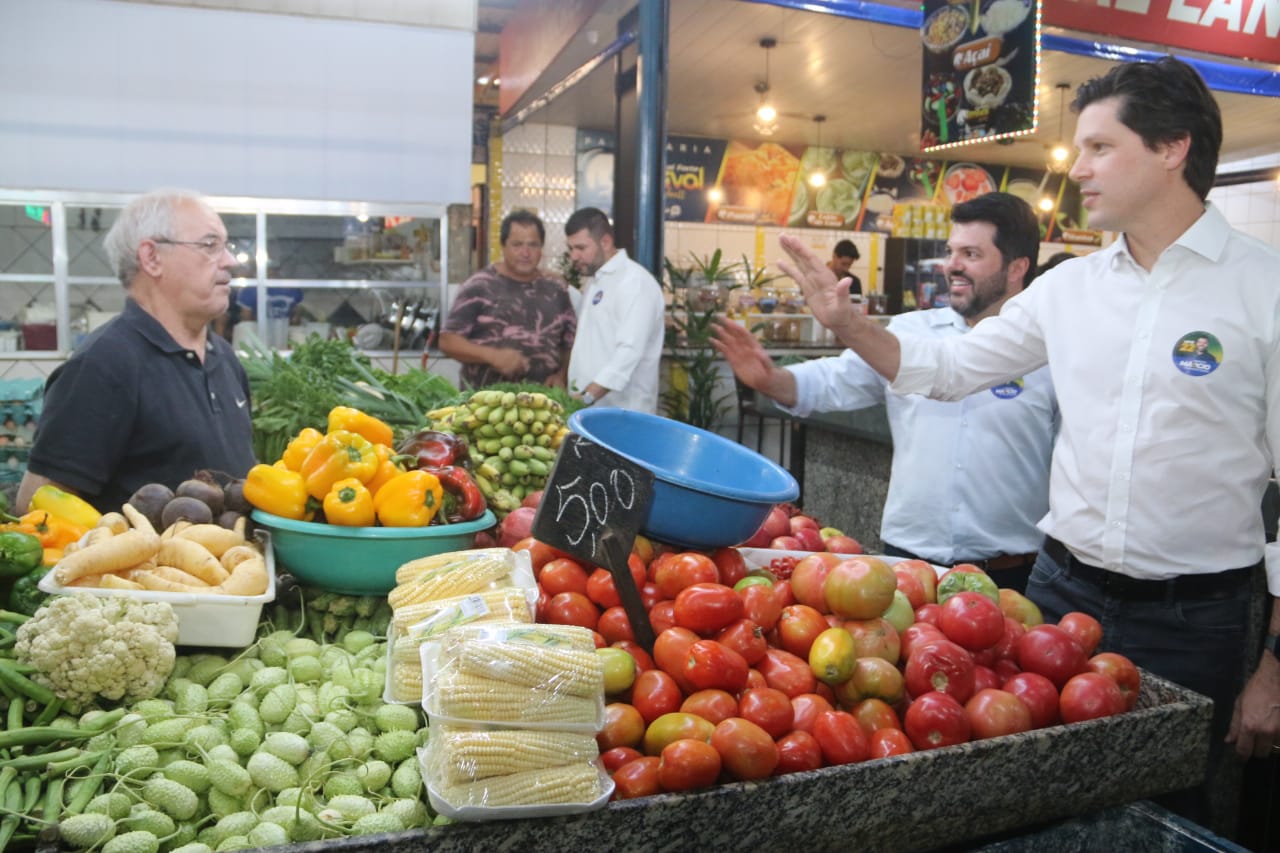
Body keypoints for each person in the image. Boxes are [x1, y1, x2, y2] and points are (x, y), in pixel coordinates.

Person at [775, 57, 1280, 833]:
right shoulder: (1069, 288)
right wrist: (847, 326)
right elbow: (944, 369)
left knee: (1166, 815)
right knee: (1037, 804)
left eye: (1099, 148)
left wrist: (1276, 665)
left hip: (1198, 617)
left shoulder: (1263, 287)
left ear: (1174, 147)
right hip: (1059, 593)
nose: (1077, 170)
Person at [715, 193, 1056, 592]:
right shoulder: (909, 333)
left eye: (971, 254)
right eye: (951, 251)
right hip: (908, 565)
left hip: (1011, 575)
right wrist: (770, 380)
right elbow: (836, 381)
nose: (952, 266)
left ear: (1017, 267)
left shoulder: (1051, 351)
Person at [18, 189, 256, 514]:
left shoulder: (224, 356)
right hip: (148, 565)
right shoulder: (104, 364)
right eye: (210, 245)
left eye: (225, 246)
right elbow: (38, 507)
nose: (229, 260)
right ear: (152, 258)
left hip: (232, 562)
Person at [438, 209, 576, 390]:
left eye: (533, 245)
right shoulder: (479, 286)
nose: (525, 253)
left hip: (542, 405)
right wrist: (492, 356)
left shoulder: (556, 288)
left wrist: (562, 375)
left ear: (541, 249)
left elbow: (570, 343)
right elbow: (447, 341)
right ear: (503, 247)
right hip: (485, 406)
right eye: (517, 244)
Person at [563, 207, 666, 413]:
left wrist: (587, 396)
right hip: (592, 411)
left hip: (623, 414)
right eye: (571, 248)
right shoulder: (596, 281)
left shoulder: (634, 282)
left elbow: (628, 351)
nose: (574, 256)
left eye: (581, 248)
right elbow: (592, 331)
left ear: (606, 242)